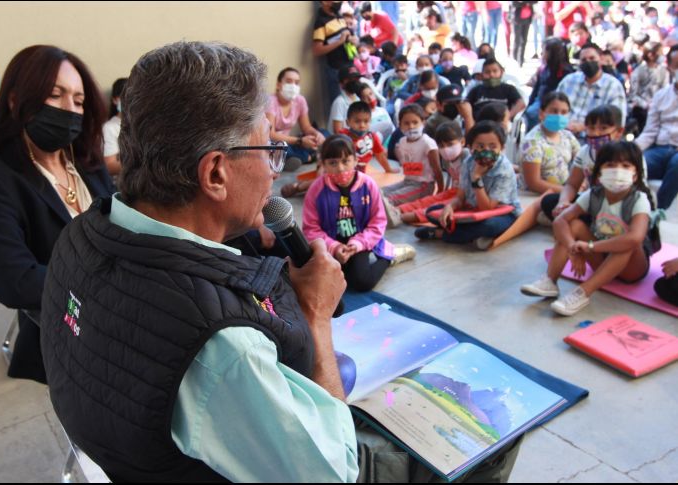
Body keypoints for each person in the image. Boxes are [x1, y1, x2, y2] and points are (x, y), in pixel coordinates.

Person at [39, 40, 523, 483]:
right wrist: (316, 317)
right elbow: (334, 474)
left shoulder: (79, 235)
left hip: (128, 450)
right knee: (488, 432)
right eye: (270, 149)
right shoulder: (224, 347)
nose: (276, 171)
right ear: (215, 173)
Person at [0, 45, 115, 384]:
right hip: (70, 328)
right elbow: (15, 281)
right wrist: (112, 282)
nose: (69, 109)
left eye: (78, 101)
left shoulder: (84, 158)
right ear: (16, 100)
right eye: (55, 95)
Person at [522, 142, 654, 316]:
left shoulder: (639, 199)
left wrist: (590, 247)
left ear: (636, 174)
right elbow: (560, 221)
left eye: (625, 166)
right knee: (573, 225)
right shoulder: (593, 195)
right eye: (610, 165)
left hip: (631, 267)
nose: (617, 171)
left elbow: (635, 238)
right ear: (599, 173)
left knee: (626, 243)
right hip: (601, 260)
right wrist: (573, 247)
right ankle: (550, 280)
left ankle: (583, 292)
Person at [303, 134, 416, 293]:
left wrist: (357, 244)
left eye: (345, 161)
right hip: (329, 243)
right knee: (318, 281)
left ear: (356, 160)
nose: (340, 168)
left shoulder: (368, 185)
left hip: (360, 241)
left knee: (362, 282)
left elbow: (378, 222)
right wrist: (334, 247)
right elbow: (311, 229)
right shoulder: (316, 190)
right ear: (323, 165)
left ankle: (388, 255)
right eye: (333, 163)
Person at [415, 120, 521, 250]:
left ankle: (440, 234)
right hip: (472, 209)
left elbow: (487, 208)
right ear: (470, 147)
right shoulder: (468, 162)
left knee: (490, 225)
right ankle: (471, 234)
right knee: (432, 212)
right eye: (480, 146)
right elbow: (460, 197)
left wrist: (476, 177)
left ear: (502, 148)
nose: (486, 151)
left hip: (501, 213)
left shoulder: (504, 169)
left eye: (493, 146)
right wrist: (450, 207)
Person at [540, 105, 642, 221]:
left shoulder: (630, 154)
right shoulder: (585, 152)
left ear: (619, 131)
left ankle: (582, 225)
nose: (596, 133)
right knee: (549, 201)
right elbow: (572, 185)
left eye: (603, 128)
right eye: (591, 128)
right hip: (593, 202)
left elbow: (638, 189)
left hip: (622, 207)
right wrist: (563, 202)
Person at [397, 121, 469, 224]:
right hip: (453, 191)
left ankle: (400, 217)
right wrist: (442, 193)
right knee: (428, 200)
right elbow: (451, 179)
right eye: (441, 146)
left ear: (462, 142)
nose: (446, 149)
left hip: (465, 196)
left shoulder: (467, 156)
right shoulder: (446, 158)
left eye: (450, 144)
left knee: (436, 208)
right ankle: (397, 210)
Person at [635, 45, 678, 210]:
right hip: (660, 148)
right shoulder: (661, 96)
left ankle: (658, 212)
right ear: (670, 68)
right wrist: (631, 149)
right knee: (634, 164)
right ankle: (635, 209)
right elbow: (650, 131)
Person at [557, 43, 627, 136]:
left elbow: (617, 121)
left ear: (600, 59)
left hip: (594, 138)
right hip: (562, 134)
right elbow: (554, 107)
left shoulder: (613, 86)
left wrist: (584, 127)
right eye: (584, 60)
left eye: (592, 58)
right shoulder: (568, 81)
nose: (588, 62)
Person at [520, 92, 580, 195]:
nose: (559, 116)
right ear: (541, 113)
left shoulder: (567, 136)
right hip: (534, 195)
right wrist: (568, 191)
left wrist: (581, 184)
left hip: (563, 193)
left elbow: (582, 162)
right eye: (554, 111)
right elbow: (534, 183)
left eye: (564, 112)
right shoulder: (532, 142)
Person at [382, 104, 443, 206]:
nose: (411, 127)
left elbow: (437, 169)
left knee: (387, 200)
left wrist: (440, 191)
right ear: (400, 125)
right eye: (406, 123)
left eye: (415, 122)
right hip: (407, 181)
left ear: (423, 123)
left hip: (423, 185)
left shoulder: (428, 143)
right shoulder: (402, 142)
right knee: (377, 192)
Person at [267, 67, 326, 171]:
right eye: (289, 81)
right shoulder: (270, 101)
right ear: (278, 84)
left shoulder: (300, 100)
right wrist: (300, 141)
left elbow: (306, 127)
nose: (293, 86)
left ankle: (290, 159)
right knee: (276, 147)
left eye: (297, 83)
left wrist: (317, 134)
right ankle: (307, 157)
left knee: (324, 133)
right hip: (275, 142)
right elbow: (270, 134)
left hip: (291, 141)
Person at [313, 1, 359, 108]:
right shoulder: (321, 22)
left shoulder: (339, 16)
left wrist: (353, 39)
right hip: (336, 71)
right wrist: (339, 41)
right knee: (340, 105)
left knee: (355, 104)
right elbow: (316, 50)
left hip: (350, 68)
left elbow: (348, 37)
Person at [524, 37, 575, 132]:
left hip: (553, 102)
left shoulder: (565, 72)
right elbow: (536, 89)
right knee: (528, 112)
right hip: (539, 100)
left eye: (544, 51)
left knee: (533, 114)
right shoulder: (544, 69)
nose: (541, 54)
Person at [339, 101, 397, 173]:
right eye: (357, 121)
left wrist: (388, 169)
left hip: (362, 171)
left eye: (366, 121)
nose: (362, 125)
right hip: (344, 171)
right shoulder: (342, 137)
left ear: (370, 121)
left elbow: (380, 155)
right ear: (348, 122)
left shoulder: (372, 137)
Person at [629, 41, 670, 135]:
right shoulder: (638, 71)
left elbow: (666, 89)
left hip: (660, 108)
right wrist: (646, 105)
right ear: (651, 55)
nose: (662, 56)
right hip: (643, 110)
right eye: (660, 53)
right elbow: (633, 95)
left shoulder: (663, 71)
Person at [102, 77, 126, 177]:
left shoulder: (140, 125)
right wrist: (141, 164)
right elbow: (109, 166)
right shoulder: (109, 128)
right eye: (126, 97)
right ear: (115, 100)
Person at [328, 65, 362, 134]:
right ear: (341, 84)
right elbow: (338, 132)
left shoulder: (358, 100)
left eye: (357, 78)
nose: (355, 81)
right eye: (351, 79)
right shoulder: (339, 102)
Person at [511, 1, 536, 67]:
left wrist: (524, 2)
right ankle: (515, 59)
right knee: (517, 40)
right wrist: (524, 3)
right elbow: (514, 3)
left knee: (524, 40)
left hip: (527, 19)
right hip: (517, 19)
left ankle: (521, 59)